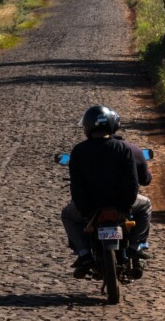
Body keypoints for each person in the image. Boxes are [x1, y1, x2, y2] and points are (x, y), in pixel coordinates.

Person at [61, 105, 152, 278]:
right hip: (121, 205)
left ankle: (84, 253)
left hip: (91, 207)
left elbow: (77, 186)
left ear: (87, 127)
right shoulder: (123, 148)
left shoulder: (79, 151)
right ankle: (134, 247)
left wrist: (84, 208)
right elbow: (133, 181)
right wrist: (126, 204)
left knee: (67, 215)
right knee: (146, 205)